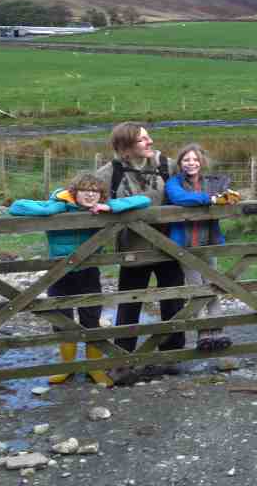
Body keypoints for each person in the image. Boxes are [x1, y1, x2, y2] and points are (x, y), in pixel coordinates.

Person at [8, 172, 151, 386]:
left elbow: (144, 200)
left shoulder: (100, 207)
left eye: (95, 191)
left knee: (91, 320)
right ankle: (67, 369)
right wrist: (52, 208)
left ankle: (95, 369)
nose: (91, 195)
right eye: (85, 190)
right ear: (74, 192)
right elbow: (16, 207)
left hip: (89, 272)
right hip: (59, 273)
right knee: (61, 321)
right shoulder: (59, 204)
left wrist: (110, 207)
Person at [94, 122, 187, 371]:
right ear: (125, 147)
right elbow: (85, 197)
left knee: (173, 302)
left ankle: (172, 357)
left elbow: (194, 183)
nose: (151, 142)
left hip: (169, 246)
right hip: (132, 249)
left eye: (149, 138)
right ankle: (124, 359)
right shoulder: (109, 173)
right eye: (143, 140)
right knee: (129, 303)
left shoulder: (167, 166)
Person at [164, 144, 242, 351]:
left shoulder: (212, 182)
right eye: (186, 160)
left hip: (209, 242)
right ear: (180, 163)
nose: (191, 163)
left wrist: (231, 196)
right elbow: (179, 198)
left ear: (201, 162)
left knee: (213, 286)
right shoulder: (174, 182)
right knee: (197, 288)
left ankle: (218, 330)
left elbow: (228, 196)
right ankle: (203, 332)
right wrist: (211, 199)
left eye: (195, 160)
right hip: (185, 245)